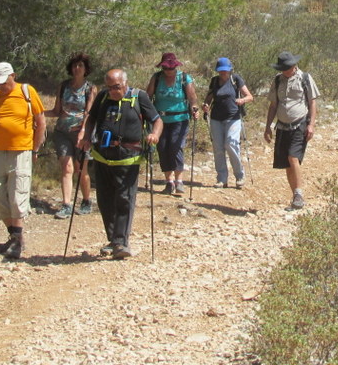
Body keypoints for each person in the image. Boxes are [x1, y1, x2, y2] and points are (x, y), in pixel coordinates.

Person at [79, 69, 162, 259]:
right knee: (104, 200)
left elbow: (157, 121)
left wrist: (154, 135)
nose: (112, 91)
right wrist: (86, 137)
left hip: (128, 157)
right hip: (102, 156)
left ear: (125, 83)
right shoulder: (102, 97)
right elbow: (91, 118)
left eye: (116, 87)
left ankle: (120, 242)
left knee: (125, 198)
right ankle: (113, 239)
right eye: (109, 87)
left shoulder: (139, 97)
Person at [0, 62, 46, 259]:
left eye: (3, 82)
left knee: (17, 195)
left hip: (21, 151)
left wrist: (35, 149)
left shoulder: (27, 91)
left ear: (13, 75)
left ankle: (17, 241)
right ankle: (14, 236)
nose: (0, 86)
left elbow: (41, 121)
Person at [264, 51, 319, 209]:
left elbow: (312, 102)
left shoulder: (305, 78)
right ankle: (295, 195)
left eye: (287, 67)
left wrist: (311, 124)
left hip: (299, 124)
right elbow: (273, 105)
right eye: (283, 68)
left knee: (293, 158)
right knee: (286, 162)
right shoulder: (277, 81)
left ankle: (299, 194)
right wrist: (267, 127)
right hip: (282, 126)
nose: (285, 70)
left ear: (294, 65)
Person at [47, 53, 98, 219]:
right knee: (66, 168)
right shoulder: (63, 86)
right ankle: (66, 204)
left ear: (86, 69)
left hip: (80, 135)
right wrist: (38, 114)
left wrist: (84, 132)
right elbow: (56, 110)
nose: (77, 69)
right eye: (75, 66)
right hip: (62, 132)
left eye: (80, 66)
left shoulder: (90, 88)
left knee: (80, 169)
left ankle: (86, 200)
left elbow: (89, 113)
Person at [145, 53, 198, 197]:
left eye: (171, 68)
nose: (169, 71)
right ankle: (169, 181)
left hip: (180, 118)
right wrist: (144, 111)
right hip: (160, 119)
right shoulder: (156, 78)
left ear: (176, 67)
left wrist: (194, 109)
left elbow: (192, 97)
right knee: (162, 148)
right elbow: (148, 96)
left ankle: (179, 180)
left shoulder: (184, 78)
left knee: (176, 146)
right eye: (166, 68)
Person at [202, 57, 254, 189]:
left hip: (233, 117)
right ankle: (222, 178)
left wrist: (242, 101)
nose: (223, 73)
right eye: (221, 71)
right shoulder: (214, 81)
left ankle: (239, 175)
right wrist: (205, 105)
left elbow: (249, 96)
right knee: (218, 148)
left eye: (225, 70)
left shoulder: (235, 79)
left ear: (230, 70)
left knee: (231, 144)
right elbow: (209, 98)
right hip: (216, 118)